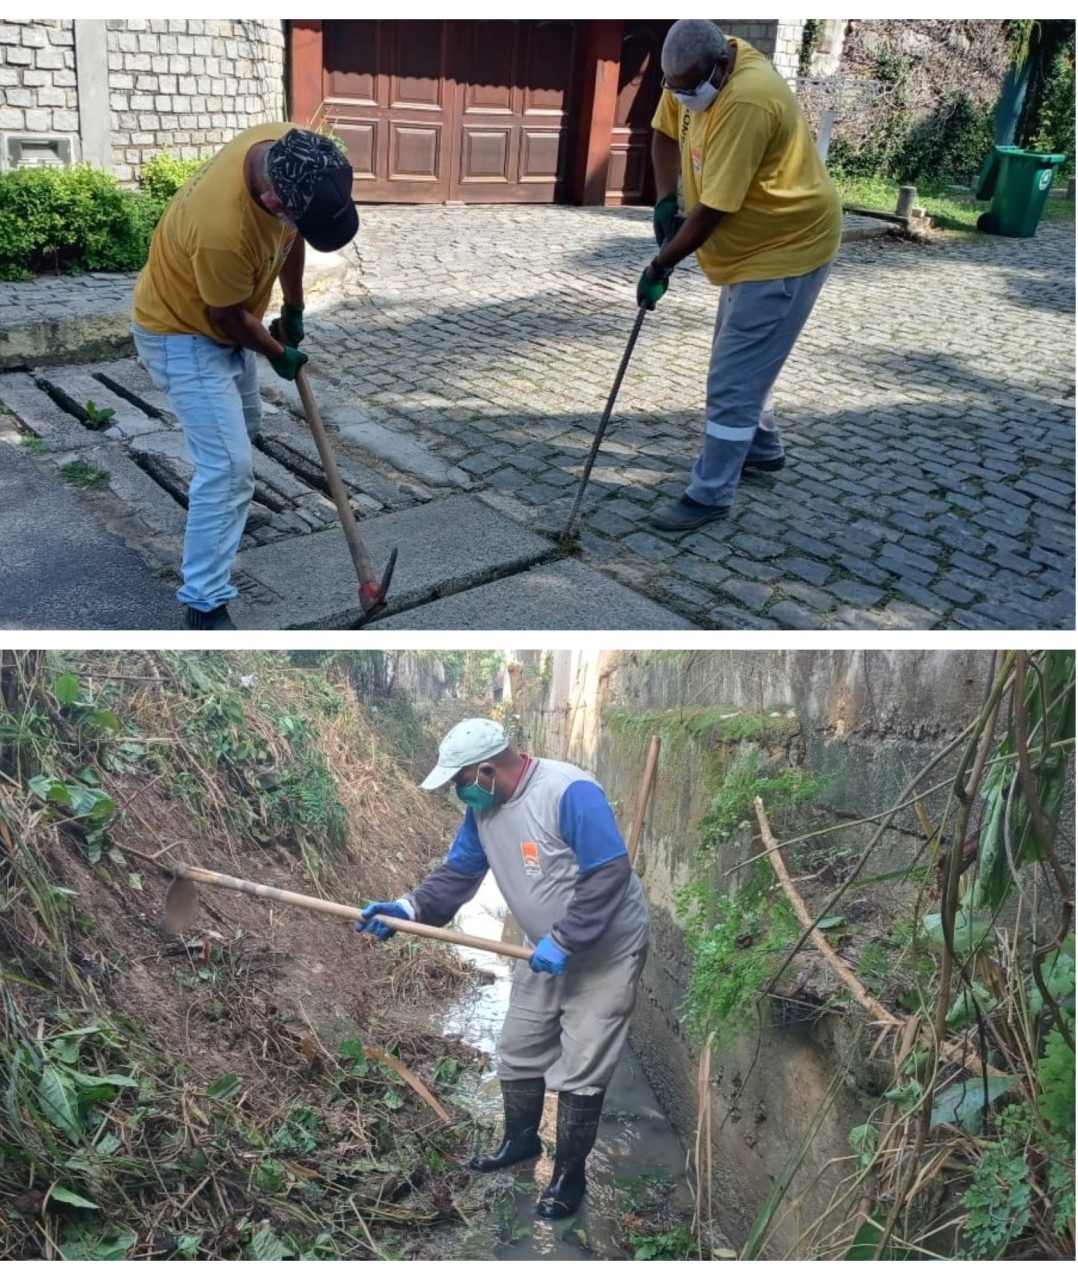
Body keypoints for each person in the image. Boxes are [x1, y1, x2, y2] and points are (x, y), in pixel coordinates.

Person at [357, 718, 649, 1220]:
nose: (459, 792)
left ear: (488, 770)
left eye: (460, 781)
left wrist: (567, 938)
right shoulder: (483, 810)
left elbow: (609, 872)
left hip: (605, 950)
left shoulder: (568, 792)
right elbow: (459, 872)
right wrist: (407, 909)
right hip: (542, 949)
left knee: (582, 1066)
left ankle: (568, 1175)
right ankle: (520, 1142)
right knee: (519, 1048)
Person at [131, 125, 359, 629]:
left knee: (245, 429)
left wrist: (294, 306)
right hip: (182, 332)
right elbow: (228, 319)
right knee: (229, 468)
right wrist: (279, 353)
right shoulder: (222, 229)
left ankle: (222, 516)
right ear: (273, 201)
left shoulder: (287, 149)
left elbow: (290, 240)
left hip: (225, 321)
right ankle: (204, 604)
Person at [638, 19, 842, 533]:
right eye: (675, 89)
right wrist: (664, 200)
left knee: (731, 379)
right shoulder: (689, 75)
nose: (684, 98)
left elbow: (712, 211)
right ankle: (763, 449)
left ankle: (709, 495)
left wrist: (661, 264)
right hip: (749, 249)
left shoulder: (747, 100)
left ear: (722, 66)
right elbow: (663, 132)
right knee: (747, 358)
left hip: (787, 248)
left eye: (691, 89)